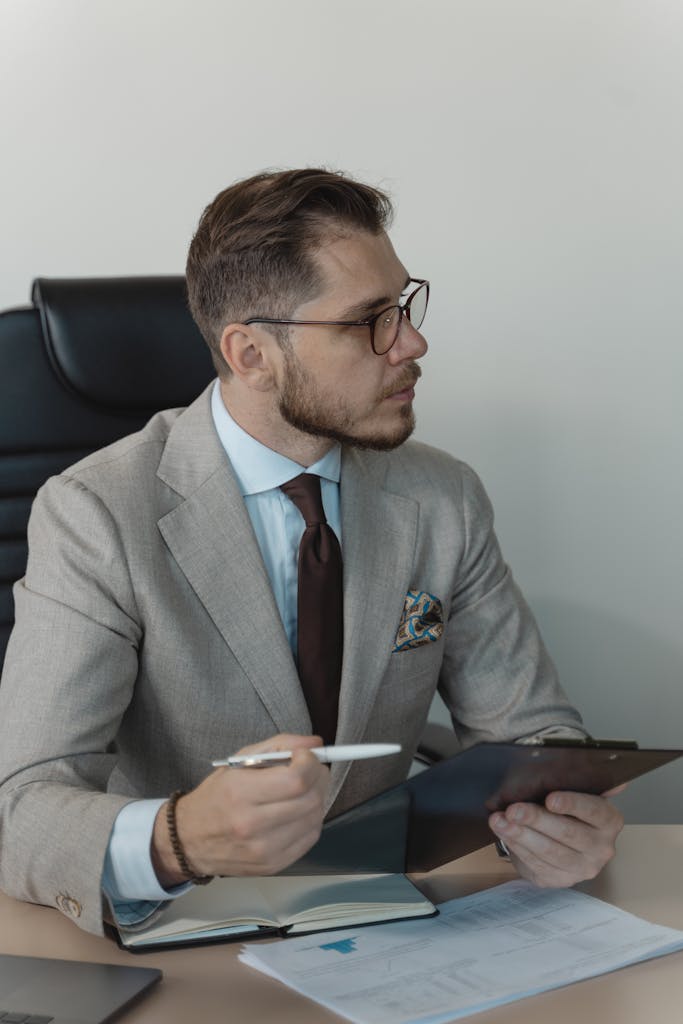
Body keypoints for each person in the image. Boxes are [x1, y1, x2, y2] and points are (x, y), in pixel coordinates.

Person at [0, 168, 622, 936]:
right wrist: (180, 839)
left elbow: (533, 730)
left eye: (403, 305)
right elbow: (21, 807)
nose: (412, 342)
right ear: (251, 354)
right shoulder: (95, 513)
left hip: (385, 920)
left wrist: (563, 813)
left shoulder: (441, 496)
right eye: (369, 320)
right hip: (188, 930)